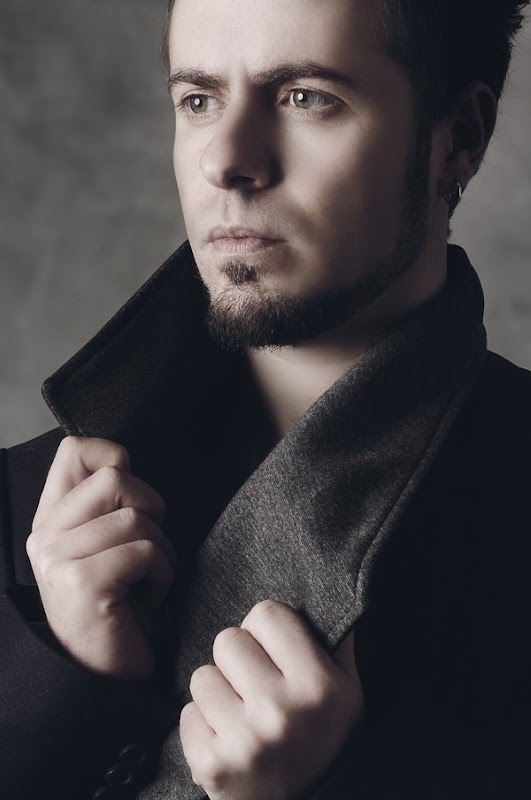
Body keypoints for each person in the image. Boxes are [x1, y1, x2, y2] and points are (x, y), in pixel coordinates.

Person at [1, 0, 530, 798]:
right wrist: (65, 685)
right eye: (198, 100)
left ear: (457, 137)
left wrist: (350, 783)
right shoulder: (29, 515)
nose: (226, 159)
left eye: (305, 97)